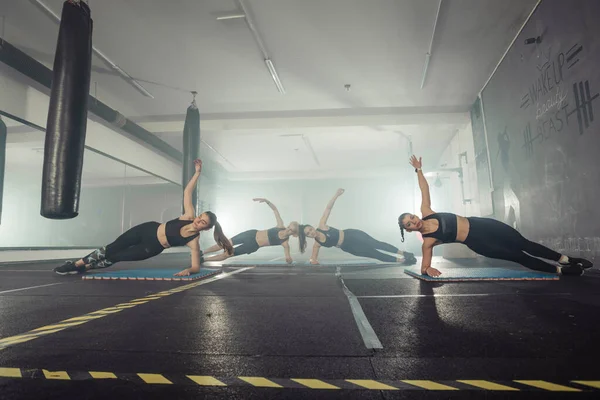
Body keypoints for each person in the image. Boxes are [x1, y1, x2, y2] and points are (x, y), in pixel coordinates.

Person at [398, 155, 593, 278]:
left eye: (411, 217)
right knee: (518, 256)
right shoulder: (428, 242)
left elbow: (424, 187)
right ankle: (560, 271)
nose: (414, 221)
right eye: (409, 224)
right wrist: (427, 270)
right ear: (409, 230)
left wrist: (419, 169)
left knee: (523, 243)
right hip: (478, 242)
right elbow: (424, 265)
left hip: (481, 224)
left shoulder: (427, 210)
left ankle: (566, 259)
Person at [53, 159, 233, 277]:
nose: (198, 220)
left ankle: (86, 267)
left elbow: (195, 267)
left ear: (206, 228)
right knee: (112, 247)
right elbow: (187, 191)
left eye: (202, 222)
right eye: (200, 217)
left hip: (152, 247)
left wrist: (189, 271)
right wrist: (197, 173)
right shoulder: (188, 215)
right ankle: (76, 264)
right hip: (147, 229)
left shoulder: (194, 241)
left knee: (117, 256)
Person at [300, 189, 416, 265]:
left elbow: (328, 209)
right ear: (308, 237)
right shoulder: (317, 244)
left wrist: (336, 195)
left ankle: (403, 253)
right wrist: (313, 260)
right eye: (308, 234)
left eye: (310, 229)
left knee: (376, 244)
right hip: (349, 247)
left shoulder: (322, 226)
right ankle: (402, 260)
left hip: (353, 235)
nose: (311, 233)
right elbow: (313, 258)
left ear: (312, 227)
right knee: (373, 254)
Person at [202, 198, 299, 264]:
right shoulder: (280, 225)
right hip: (251, 234)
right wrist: (266, 201)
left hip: (252, 245)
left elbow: (288, 257)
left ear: (294, 234)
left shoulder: (285, 243)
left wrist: (288, 259)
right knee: (225, 243)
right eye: (289, 227)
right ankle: (202, 252)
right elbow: (275, 210)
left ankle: (203, 260)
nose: (288, 230)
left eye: (291, 231)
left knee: (227, 254)